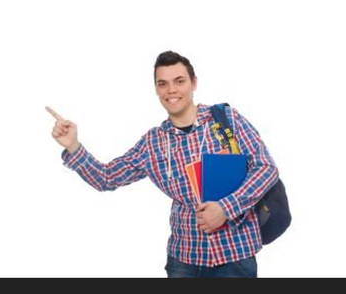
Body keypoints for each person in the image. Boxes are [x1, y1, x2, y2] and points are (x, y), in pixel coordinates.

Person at [47, 50, 279, 277]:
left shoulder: (226, 119)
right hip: (184, 261)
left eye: (179, 81)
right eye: (163, 84)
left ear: (194, 83)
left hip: (235, 257)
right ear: (156, 89)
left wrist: (225, 209)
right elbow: (106, 177)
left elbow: (266, 168)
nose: (171, 90)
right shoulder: (153, 142)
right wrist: (73, 145)